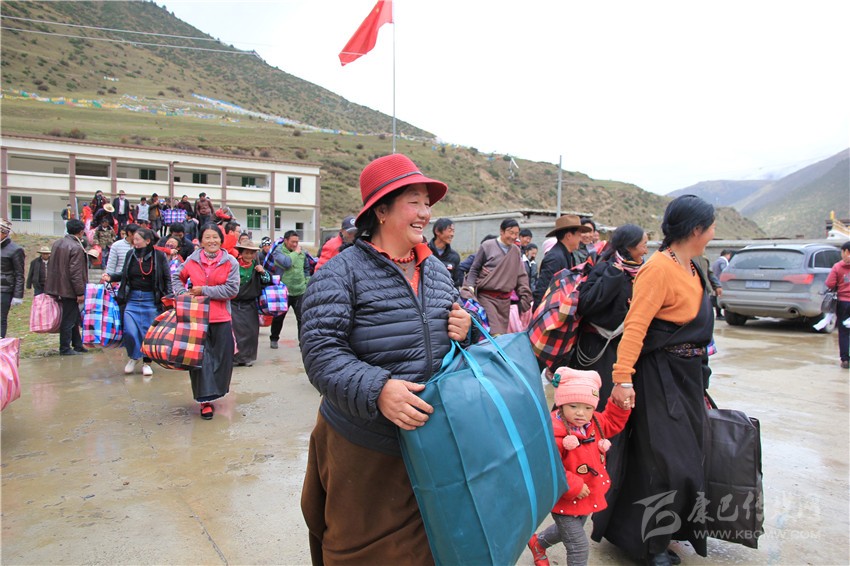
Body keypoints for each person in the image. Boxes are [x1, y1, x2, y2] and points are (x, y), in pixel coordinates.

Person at [299, 153, 472, 564]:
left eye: (427, 203)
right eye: (414, 202)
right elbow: (321, 353)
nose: (425, 213)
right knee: (361, 549)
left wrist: (464, 331)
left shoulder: (436, 272)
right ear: (380, 210)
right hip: (364, 443)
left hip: (428, 440)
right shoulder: (340, 273)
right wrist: (378, 390)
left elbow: (449, 346)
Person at [592, 195, 717, 566]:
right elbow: (635, 328)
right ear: (696, 229)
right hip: (658, 377)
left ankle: (661, 532)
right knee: (666, 463)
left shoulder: (694, 267)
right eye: (710, 226)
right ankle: (652, 545)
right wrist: (622, 379)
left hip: (687, 379)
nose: (713, 233)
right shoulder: (658, 268)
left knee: (686, 457)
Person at [528, 368, 630, 566]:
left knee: (566, 532)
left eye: (588, 407)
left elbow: (612, 422)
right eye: (573, 406)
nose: (581, 413)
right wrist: (573, 485)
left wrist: (620, 406)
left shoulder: (595, 422)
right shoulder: (554, 432)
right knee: (578, 546)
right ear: (561, 403)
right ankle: (540, 544)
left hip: (587, 494)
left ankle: (538, 543)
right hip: (564, 497)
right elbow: (549, 466)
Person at [571, 224, 647, 408]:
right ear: (629, 247)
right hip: (597, 350)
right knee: (596, 403)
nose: (646, 250)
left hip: (626, 350)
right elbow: (587, 304)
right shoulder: (605, 268)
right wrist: (613, 277)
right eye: (644, 245)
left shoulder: (643, 273)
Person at [172, 223, 240, 420]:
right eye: (207, 237)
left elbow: (232, 290)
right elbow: (177, 277)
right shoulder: (192, 260)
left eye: (215, 237)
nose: (212, 241)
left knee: (223, 360)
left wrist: (204, 290)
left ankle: (216, 392)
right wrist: (184, 294)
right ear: (200, 241)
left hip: (221, 318)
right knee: (200, 361)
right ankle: (205, 401)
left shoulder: (230, 262)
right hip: (196, 319)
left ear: (221, 240)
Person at [101, 228, 170, 377]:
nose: (135, 242)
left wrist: (169, 297)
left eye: (138, 239)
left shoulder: (159, 256)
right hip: (132, 299)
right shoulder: (130, 254)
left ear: (147, 241)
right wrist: (111, 277)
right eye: (134, 239)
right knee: (130, 331)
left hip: (151, 300)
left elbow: (166, 278)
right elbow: (124, 274)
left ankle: (147, 362)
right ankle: (134, 356)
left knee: (148, 333)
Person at [461, 218, 533, 334]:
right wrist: (470, 287)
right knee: (493, 332)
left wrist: (525, 295)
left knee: (502, 334)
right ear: (501, 231)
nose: (513, 237)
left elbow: (521, 275)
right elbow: (475, 269)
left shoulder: (516, 251)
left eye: (516, 234)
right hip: (487, 298)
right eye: (511, 232)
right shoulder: (487, 246)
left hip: (504, 302)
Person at [45, 219, 90, 355]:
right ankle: (65, 348)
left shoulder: (58, 243)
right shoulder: (76, 247)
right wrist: (80, 292)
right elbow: (75, 272)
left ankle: (77, 344)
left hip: (58, 285)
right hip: (69, 288)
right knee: (69, 319)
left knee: (74, 317)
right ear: (81, 231)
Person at [533, 215, 592, 308]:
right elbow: (543, 289)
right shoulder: (554, 258)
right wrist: (538, 313)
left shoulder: (568, 254)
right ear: (569, 236)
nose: (580, 239)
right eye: (578, 235)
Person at [231, 240, 270, 367]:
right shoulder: (233, 265)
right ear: (241, 253)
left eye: (251, 253)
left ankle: (247, 357)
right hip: (234, 303)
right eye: (246, 253)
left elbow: (267, 280)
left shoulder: (257, 266)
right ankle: (235, 357)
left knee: (251, 332)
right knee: (235, 332)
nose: (249, 256)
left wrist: (262, 272)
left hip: (250, 304)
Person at [269, 230, 310, 346]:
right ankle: (274, 338)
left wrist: (306, 282)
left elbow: (306, 268)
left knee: (301, 318)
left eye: (297, 242)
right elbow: (287, 263)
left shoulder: (302, 253)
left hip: (300, 290)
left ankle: (302, 342)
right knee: (279, 317)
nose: (295, 244)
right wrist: (296, 252)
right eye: (293, 242)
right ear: (286, 240)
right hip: (283, 291)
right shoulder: (278, 252)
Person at [826, 240, 850, 369]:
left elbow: (829, 283)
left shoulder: (838, 266)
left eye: (842, 252)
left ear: (846, 251)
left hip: (843, 303)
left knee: (844, 332)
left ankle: (845, 359)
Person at [0, 219, 25, 338]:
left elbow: (19, 274)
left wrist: (18, 295)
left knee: (1, 318)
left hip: (4, 289)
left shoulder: (15, 250)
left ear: (4, 233)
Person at [428, 217, 463, 288]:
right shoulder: (424, 252)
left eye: (453, 231)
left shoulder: (454, 256)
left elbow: (456, 283)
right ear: (437, 231)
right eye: (449, 231)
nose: (452, 234)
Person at [711, 249, 733, 319]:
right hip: (720, 282)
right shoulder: (722, 261)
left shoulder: (717, 261)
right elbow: (725, 270)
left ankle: (718, 314)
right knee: (720, 297)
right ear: (727, 254)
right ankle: (719, 315)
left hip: (716, 282)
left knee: (717, 297)